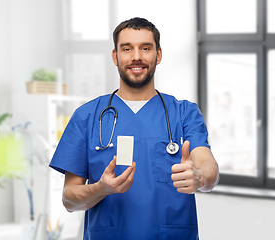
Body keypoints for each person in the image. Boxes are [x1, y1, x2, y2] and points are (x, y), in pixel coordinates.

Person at [49, 17, 219, 240]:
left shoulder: (184, 113)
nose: (136, 56)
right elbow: (69, 199)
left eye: (145, 48)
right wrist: (100, 188)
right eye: (127, 49)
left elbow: (209, 167)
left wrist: (199, 178)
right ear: (115, 56)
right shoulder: (87, 117)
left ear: (158, 55)